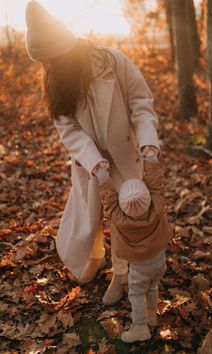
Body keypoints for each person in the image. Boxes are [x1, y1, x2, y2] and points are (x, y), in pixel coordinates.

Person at [25, 0, 161, 305]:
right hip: (91, 164)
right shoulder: (55, 80)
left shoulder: (112, 61)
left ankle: (122, 273)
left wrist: (148, 140)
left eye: (52, 60)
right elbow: (67, 128)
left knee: (126, 217)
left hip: (125, 155)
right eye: (43, 62)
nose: (47, 68)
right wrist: (94, 162)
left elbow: (141, 103)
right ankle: (94, 260)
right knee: (91, 220)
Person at [96, 152, 172, 343]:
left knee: (137, 293)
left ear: (122, 204)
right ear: (147, 196)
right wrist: (151, 160)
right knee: (152, 286)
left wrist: (103, 177)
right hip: (159, 262)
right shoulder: (156, 207)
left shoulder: (120, 218)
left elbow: (109, 202)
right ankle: (151, 316)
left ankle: (140, 327)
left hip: (140, 268)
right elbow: (156, 184)